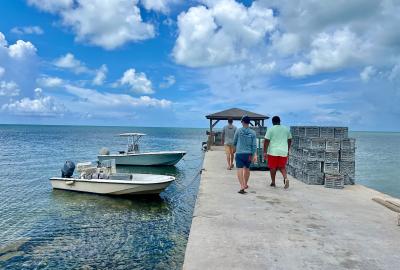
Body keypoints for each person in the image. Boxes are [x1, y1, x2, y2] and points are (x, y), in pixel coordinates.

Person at [263, 116, 292, 189]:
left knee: (273, 167)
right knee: (282, 167)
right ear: (280, 121)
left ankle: (273, 182)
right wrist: (287, 149)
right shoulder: (286, 129)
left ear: (272, 122)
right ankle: (285, 178)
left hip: (273, 151)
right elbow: (289, 140)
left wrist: (265, 152)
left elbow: (266, 141)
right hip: (283, 151)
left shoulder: (271, 129)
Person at [233, 115, 257, 194]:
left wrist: (234, 149)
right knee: (247, 168)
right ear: (249, 122)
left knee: (239, 169)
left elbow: (234, 141)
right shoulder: (253, 132)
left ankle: (242, 186)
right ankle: (246, 184)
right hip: (249, 154)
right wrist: (254, 155)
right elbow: (254, 145)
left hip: (239, 153)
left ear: (243, 122)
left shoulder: (238, 131)